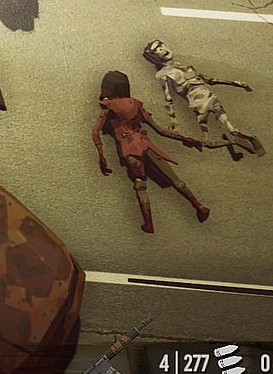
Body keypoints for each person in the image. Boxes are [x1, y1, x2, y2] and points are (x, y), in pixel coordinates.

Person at [93, 70, 210, 233]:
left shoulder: (108, 108)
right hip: (146, 143)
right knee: (176, 179)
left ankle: (149, 225)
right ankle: (199, 205)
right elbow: (161, 130)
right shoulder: (136, 104)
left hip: (129, 148)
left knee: (140, 184)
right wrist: (184, 138)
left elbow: (95, 132)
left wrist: (101, 155)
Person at [144, 41, 263, 159]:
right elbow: (168, 98)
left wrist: (236, 83)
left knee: (222, 134)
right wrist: (174, 122)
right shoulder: (162, 74)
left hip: (207, 99)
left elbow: (210, 80)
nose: (162, 49)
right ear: (154, 57)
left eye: (161, 46)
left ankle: (243, 140)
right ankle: (240, 141)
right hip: (199, 103)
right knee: (216, 137)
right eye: (157, 50)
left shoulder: (183, 66)